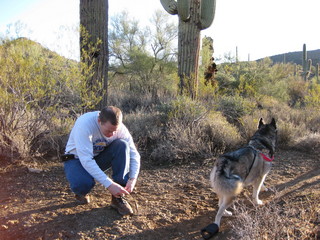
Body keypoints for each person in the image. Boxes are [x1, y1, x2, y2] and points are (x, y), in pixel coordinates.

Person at [62, 106, 140, 216]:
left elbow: (134, 154)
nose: (112, 134)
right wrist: (109, 184)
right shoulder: (85, 124)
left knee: (122, 145)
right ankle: (80, 192)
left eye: (115, 131)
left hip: (98, 158)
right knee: (83, 184)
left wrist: (132, 178)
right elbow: (86, 160)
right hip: (76, 159)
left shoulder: (120, 128)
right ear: (99, 121)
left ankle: (117, 198)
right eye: (108, 130)